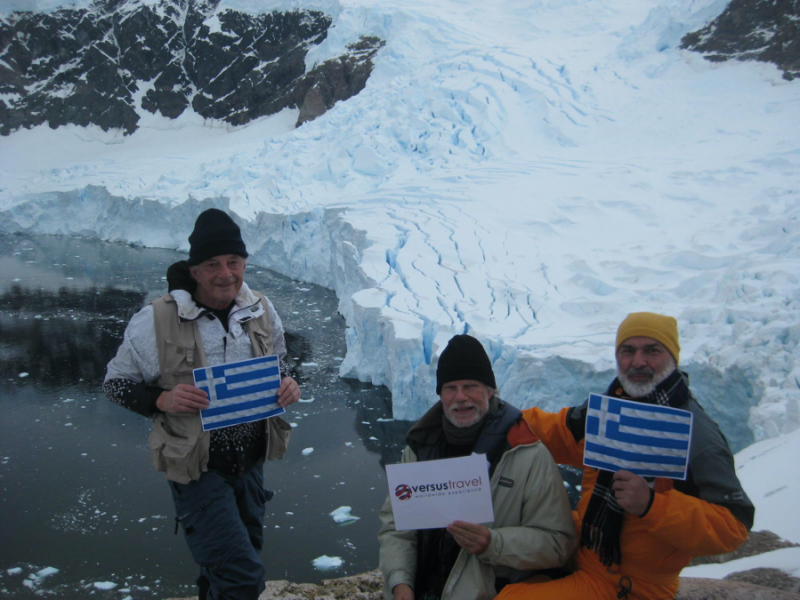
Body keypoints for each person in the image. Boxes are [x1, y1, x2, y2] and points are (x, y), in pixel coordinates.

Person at [103, 208, 300, 600]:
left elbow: (282, 363)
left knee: (228, 568)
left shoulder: (260, 307)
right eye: (213, 264)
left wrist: (290, 383)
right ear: (194, 270)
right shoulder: (156, 319)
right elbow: (114, 384)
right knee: (242, 577)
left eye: (234, 261)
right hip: (197, 468)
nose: (226, 273)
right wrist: (160, 398)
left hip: (250, 462)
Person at [496, 312, 755, 600]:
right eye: (628, 351)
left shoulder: (696, 433)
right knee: (500, 543)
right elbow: (557, 432)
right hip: (588, 547)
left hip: (628, 585)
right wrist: (497, 420)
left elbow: (733, 525)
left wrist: (652, 505)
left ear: (673, 356)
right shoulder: (613, 410)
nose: (638, 361)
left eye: (652, 350)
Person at [378, 334, 577, 600]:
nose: (460, 397)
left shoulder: (526, 454)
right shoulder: (419, 448)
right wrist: (400, 582)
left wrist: (494, 544)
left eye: (470, 385)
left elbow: (558, 543)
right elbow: (397, 528)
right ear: (440, 394)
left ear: (490, 390)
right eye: (450, 387)